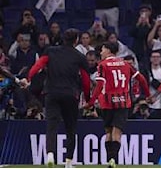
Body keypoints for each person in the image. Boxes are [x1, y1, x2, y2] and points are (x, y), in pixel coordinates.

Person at [25, 29, 92, 168]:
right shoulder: (80, 56)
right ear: (76, 40)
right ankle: (68, 162)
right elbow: (86, 81)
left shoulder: (51, 51)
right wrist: (88, 98)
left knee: (51, 125)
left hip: (51, 93)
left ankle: (50, 154)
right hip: (71, 95)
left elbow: (38, 66)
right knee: (71, 128)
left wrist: (28, 78)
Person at [84, 42, 151, 168]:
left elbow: (99, 85)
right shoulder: (126, 64)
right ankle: (113, 160)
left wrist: (91, 101)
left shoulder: (102, 65)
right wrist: (147, 95)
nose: (101, 52)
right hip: (123, 102)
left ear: (108, 50)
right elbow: (141, 79)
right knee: (117, 133)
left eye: (102, 49)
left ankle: (110, 159)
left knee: (108, 132)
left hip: (107, 103)